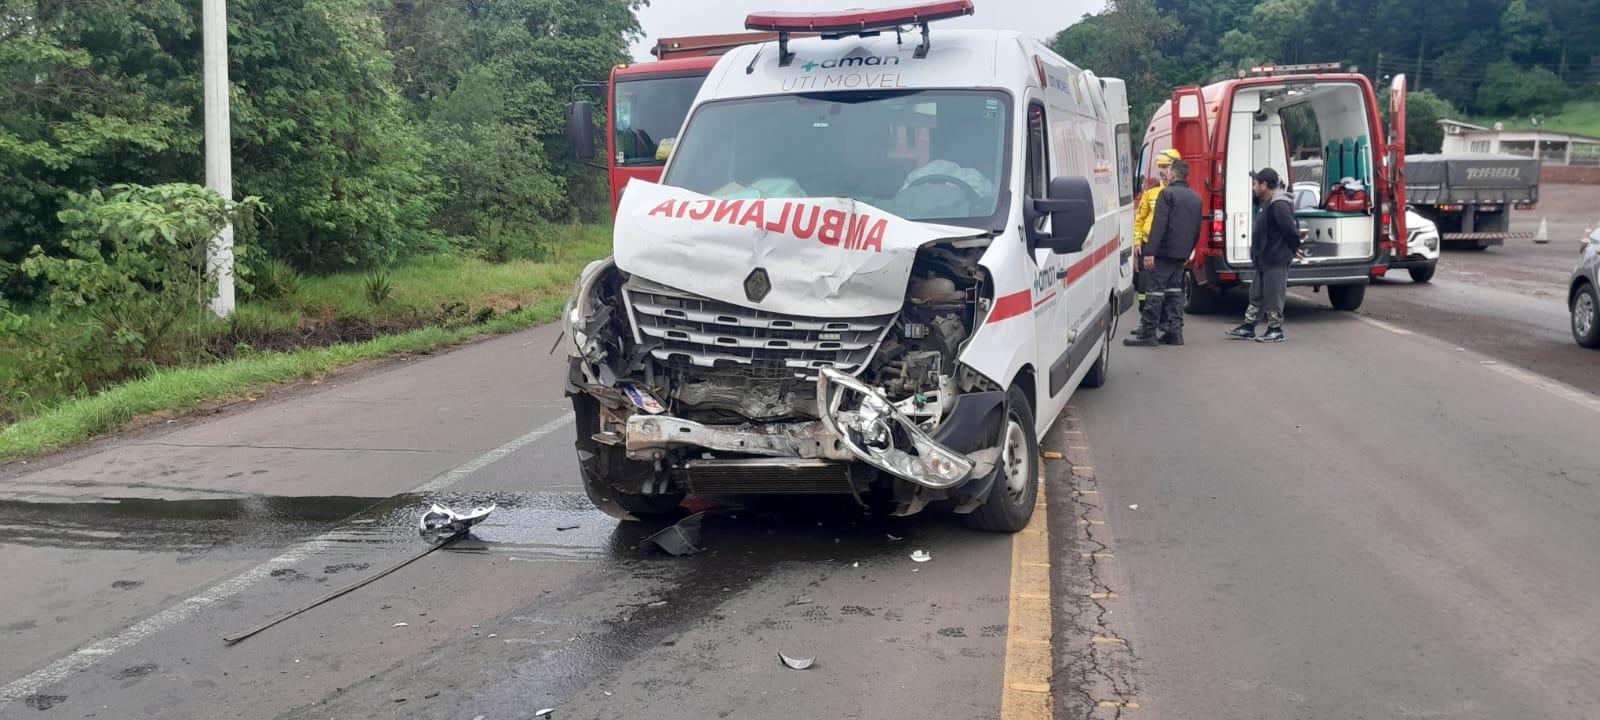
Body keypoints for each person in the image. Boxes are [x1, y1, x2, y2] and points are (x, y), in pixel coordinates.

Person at [1125, 158, 1202, 347]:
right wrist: (1188, 252)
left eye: (1168, 171)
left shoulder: (1167, 194)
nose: (1165, 174)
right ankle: (1174, 332)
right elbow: (1196, 230)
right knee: (1174, 291)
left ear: (1174, 174)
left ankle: (1147, 333)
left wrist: (1150, 252)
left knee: (1154, 291)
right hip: (1181, 254)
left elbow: (1159, 226)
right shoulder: (1195, 198)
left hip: (1164, 253)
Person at [1227, 168, 1301, 343]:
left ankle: (1275, 329)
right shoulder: (1265, 202)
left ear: (1264, 185)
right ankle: (1249, 326)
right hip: (1263, 259)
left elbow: (1290, 230)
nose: (1253, 187)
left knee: (1274, 294)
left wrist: (1294, 247)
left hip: (1275, 259)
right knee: (1257, 294)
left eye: (1255, 183)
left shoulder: (1278, 204)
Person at [1132, 149, 1182, 312]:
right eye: (1159, 167)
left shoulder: (1180, 192)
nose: (1161, 171)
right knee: (1144, 287)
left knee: (1167, 288)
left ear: (1174, 168)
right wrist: (1137, 241)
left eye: (1165, 166)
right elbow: (1139, 220)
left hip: (1168, 247)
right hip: (1148, 245)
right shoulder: (1151, 191)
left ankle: (1163, 322)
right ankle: (1144, 321)